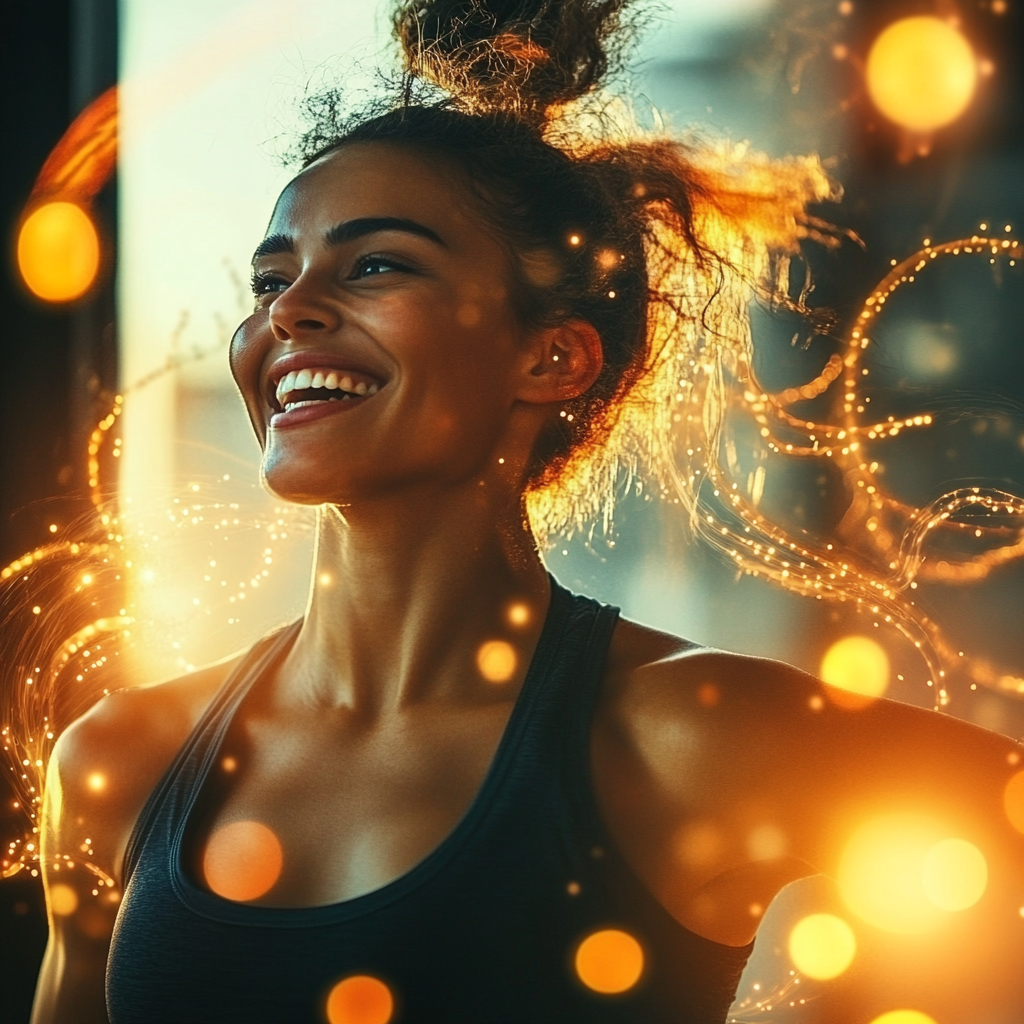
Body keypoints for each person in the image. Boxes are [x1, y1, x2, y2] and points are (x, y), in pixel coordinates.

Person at [29, 1, 1024, 1022]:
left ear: (550, 357)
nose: (287, 310)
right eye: (272, 276)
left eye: (376, 264)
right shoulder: (120, 762)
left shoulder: (675, 735)